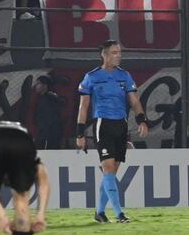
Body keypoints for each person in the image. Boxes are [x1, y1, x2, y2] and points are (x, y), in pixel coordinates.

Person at [76, 40, 149, 223]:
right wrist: (80, 133)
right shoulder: (91, 77)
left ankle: (99, 212)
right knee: (108, 168)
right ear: (105, 55)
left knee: (111, 172)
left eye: (119, 52)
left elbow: (134, 100)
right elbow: (83, 106)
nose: (119, 55)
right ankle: (119, 214)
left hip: (121, 126)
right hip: (103, 124)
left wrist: (141, 120)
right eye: (115, 52)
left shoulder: (124, 76)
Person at [34, 75, 63, 149]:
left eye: (38, 84)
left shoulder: (47, 99)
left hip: (47, 135)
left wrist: (44, 135)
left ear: (45, 86)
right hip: (47, 134)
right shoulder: (45, 98)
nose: (36, 86)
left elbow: (49, 118)